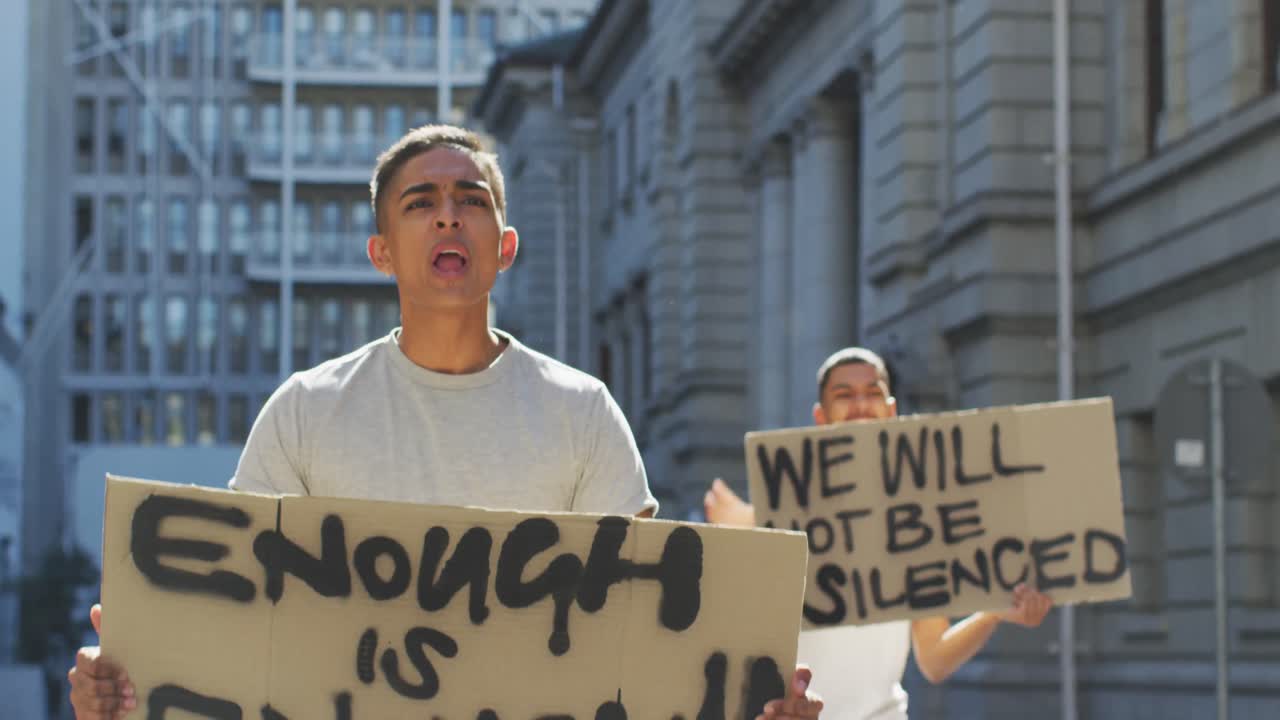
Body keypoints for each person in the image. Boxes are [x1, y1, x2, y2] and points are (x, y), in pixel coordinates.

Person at [68, 125, 823, 720]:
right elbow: (239, 621)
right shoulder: (305, 411)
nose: (448, 215)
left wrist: (748, 704)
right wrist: (123, 683)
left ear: (505, 246)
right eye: (419, 203)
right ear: (381, 253)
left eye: (472, 199)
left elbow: (640, 631)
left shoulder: (583, 413)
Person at [704, 347, 1053, 720]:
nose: (860, 405)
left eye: (872, 393)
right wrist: (737, 542)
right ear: (821, 417)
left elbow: (934, 659)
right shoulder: (779, 513)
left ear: (891, 410)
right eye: (844, 395)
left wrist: (993, 614)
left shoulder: (917, 521)